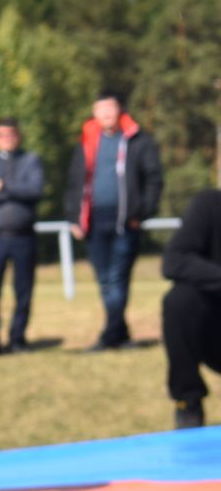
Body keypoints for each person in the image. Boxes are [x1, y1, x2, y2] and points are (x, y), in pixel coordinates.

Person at [63, 91, 163, 350]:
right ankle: (120, 333)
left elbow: (154, 179)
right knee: (104, 279)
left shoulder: (138, 141)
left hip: (125, 221)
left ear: (120, 111)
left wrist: (141, 213)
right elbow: (75, 182)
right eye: (100, 109)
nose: (106, 114)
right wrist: (74, 217)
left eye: (110, 108)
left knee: (117, 278)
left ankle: (109, 335)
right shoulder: (87, 142)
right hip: (94, 220)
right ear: (94, 113)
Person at [0, 117, 45, 355]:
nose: (7, 139)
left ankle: (17, 339)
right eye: (1, 135)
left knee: (23, 291)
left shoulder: (30, 160)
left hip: (23, 236)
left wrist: (3, 186)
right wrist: (15, 190)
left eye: (11, 134)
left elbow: (34, 191)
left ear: (19, 136)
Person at [162, 188, 221, 429]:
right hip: (215, 331)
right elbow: (174, 260)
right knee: (179, 301)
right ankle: (188, 401)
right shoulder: (210, 205)